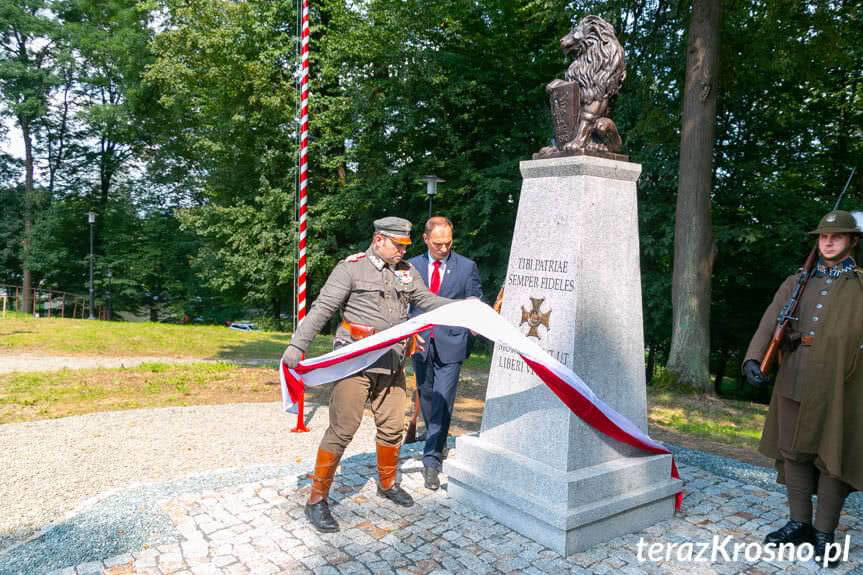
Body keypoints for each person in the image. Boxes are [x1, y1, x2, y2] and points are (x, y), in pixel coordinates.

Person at [282, 217, 452, 533]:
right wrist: (296, 346)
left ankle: (387, 483)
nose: (403, 250)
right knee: (343, 428)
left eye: (405, 245)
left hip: (392, 363)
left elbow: (425, 301)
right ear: (378, 240)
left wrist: (461, 307)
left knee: (392, 427)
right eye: (398, 244)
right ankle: (317, 499)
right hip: (355, 364)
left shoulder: (405, 272)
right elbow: (322, 309)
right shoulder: (351, 268)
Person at [743, 210, 862, 567]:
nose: (828, 242)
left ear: (852, 241)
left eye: (837, 237)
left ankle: (824, 534)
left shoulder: (860, 284)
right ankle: (799, 523)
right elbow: (771, 319)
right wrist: (753, 358)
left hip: (844, 383)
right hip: (796, 374)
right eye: (823, 237)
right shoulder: (798, 281)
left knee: (832, 455)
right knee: (793, 450)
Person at [408, 216, 483, 490]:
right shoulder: (411, 267)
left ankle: (432, 460)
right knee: (427, 396)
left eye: (448, 243)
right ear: (426, 239)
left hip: (451, 343)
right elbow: (402, 304)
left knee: (443, 398)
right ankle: (435, 439)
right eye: (438, 243)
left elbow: (475, 301)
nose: (443, 248)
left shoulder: (466, 267)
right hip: (420, 344)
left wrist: (477, 325)